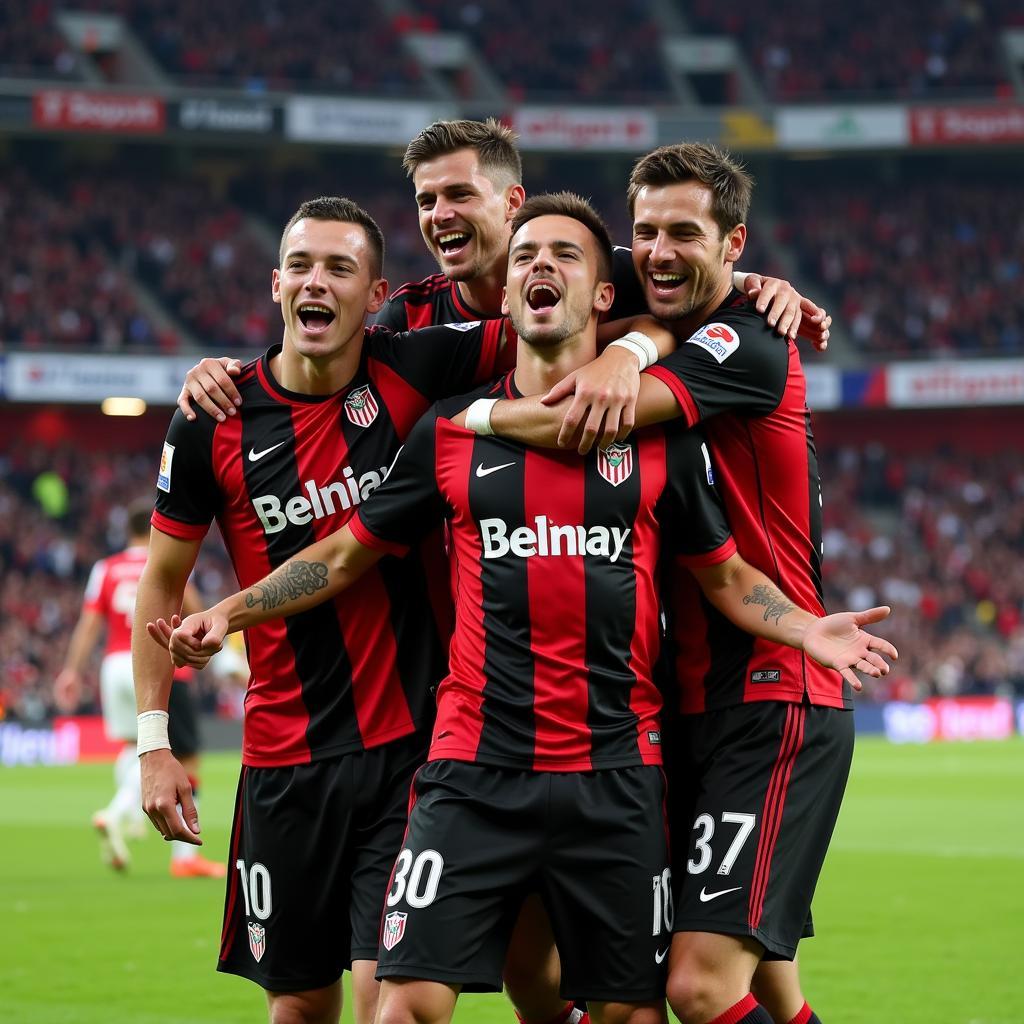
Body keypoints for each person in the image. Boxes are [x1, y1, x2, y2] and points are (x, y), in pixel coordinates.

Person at [152, 195, 896, 1024]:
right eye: (525, 258)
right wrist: (234, 611)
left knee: (636, 1012)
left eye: (567, 257)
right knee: (403, 1008)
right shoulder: (444, 436)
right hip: (472, 773)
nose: (541, 267)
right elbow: (340, 554)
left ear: (607, 295)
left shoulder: (657, 441)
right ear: (503, 298)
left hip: (616, 771)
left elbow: (725, 576)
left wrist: (804, 626)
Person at [131, 194, 658, 1024]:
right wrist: (154, 743)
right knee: (299, 1008)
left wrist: (668, 327)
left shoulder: (417, 367)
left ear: (375, 296)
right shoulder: (213, 417)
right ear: (275, 285)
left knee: (393, 995)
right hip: (282, 756)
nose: (317, 282)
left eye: (340, 267)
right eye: (301, 266)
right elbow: (160, 586)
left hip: (412, 749)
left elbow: (597, 293)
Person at [475, 144, 861, 1024]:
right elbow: (585, 279)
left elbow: (580, 418)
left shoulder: (755, 340)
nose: (657, 251)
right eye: (645, 231)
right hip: (674, 699)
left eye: (685, 233)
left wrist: (479, 414)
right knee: (751, 983)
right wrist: (640, 336)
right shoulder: (651, 293)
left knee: (697, 987)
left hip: (772, 688)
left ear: (734, 244)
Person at [55, 499, 223, 878]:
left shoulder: (106, 568)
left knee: (136, 746)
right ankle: (177, 852)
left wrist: (70, 671)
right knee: (187, 755)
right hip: (158, 663)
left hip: (115, 664)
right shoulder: (167, 560)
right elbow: (195, 606)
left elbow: (88, 623)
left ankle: (128, 814)